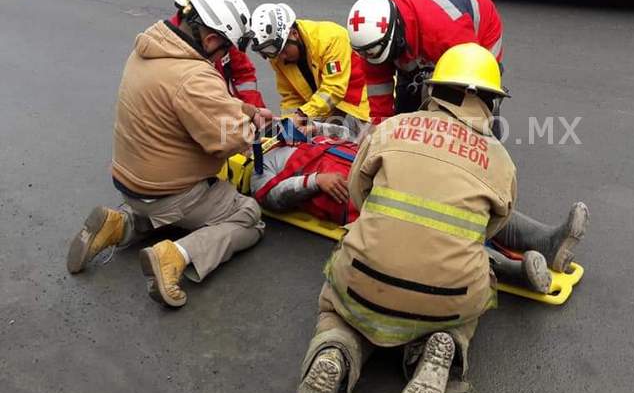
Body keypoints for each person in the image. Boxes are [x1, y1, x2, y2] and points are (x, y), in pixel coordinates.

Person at [285, 44, 529, 393]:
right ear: (491, 104)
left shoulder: (390, 129)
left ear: (433, 91)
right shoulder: (500, 161)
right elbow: (491, 229)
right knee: (478, 280)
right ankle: (441, 346)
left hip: (363, 280)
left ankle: (333, 352)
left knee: (338, 310)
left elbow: (357, 195)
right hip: (447, 299)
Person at [66, 0, 272, 309]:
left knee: (171, 210)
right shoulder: (192, 76)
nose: (223, 59)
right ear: (210, 40)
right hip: (170, 193)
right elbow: (229, 140)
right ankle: (175, 255)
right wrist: (254, 125)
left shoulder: (149, 50)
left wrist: (245, 110)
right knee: (248, 216)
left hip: (131, 184)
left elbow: (197, 105)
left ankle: (120, 224)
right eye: (225, 50)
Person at [248, 123, 587, 292]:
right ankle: (515, 273)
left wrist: (316, 127)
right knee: (435, 229)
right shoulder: (259, 168)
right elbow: (270, 198)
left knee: (460, 195)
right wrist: (313, 182)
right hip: (365, 202)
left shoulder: (287, 133)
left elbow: (343, 131)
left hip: (382, 169)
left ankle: (547, 241)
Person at [346, 0, 504, 123]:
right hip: (416, 27)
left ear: (395, 37)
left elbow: (467, 81)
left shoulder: (446, 32)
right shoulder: (370, 40)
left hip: (480, 26)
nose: (369, 58)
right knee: (407, 100)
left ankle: (490, 136)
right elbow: (378, 89)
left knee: (472, 102)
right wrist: (380, 129)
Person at [247, 3, 370, 138]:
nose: (281, 57)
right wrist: (287, 126)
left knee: (351, 149)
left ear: (294, 34)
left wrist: (301, 115)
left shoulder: (331, 38)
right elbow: (291, 97)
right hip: (324, 110)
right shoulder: (277, 56)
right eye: (275, 54)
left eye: (283, 51)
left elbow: (334, 90)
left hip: (357, 107)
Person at [172, 0, 268, 111]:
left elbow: (243, 74)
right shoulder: (172, 48)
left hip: (229, 114)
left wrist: (254, 111)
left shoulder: (223, 34)